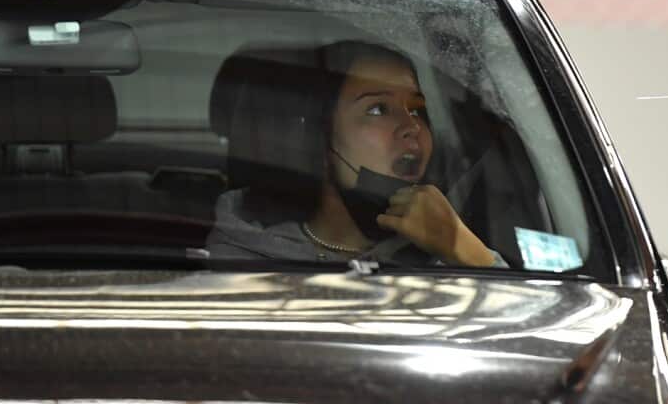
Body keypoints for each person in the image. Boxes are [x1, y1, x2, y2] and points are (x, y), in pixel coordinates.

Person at [206, 39, 503, 268]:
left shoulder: (444, 252)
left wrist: (466, 251)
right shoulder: (247, 257)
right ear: (318, 139)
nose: (411, 126)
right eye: (377, 109)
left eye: (416, 110)